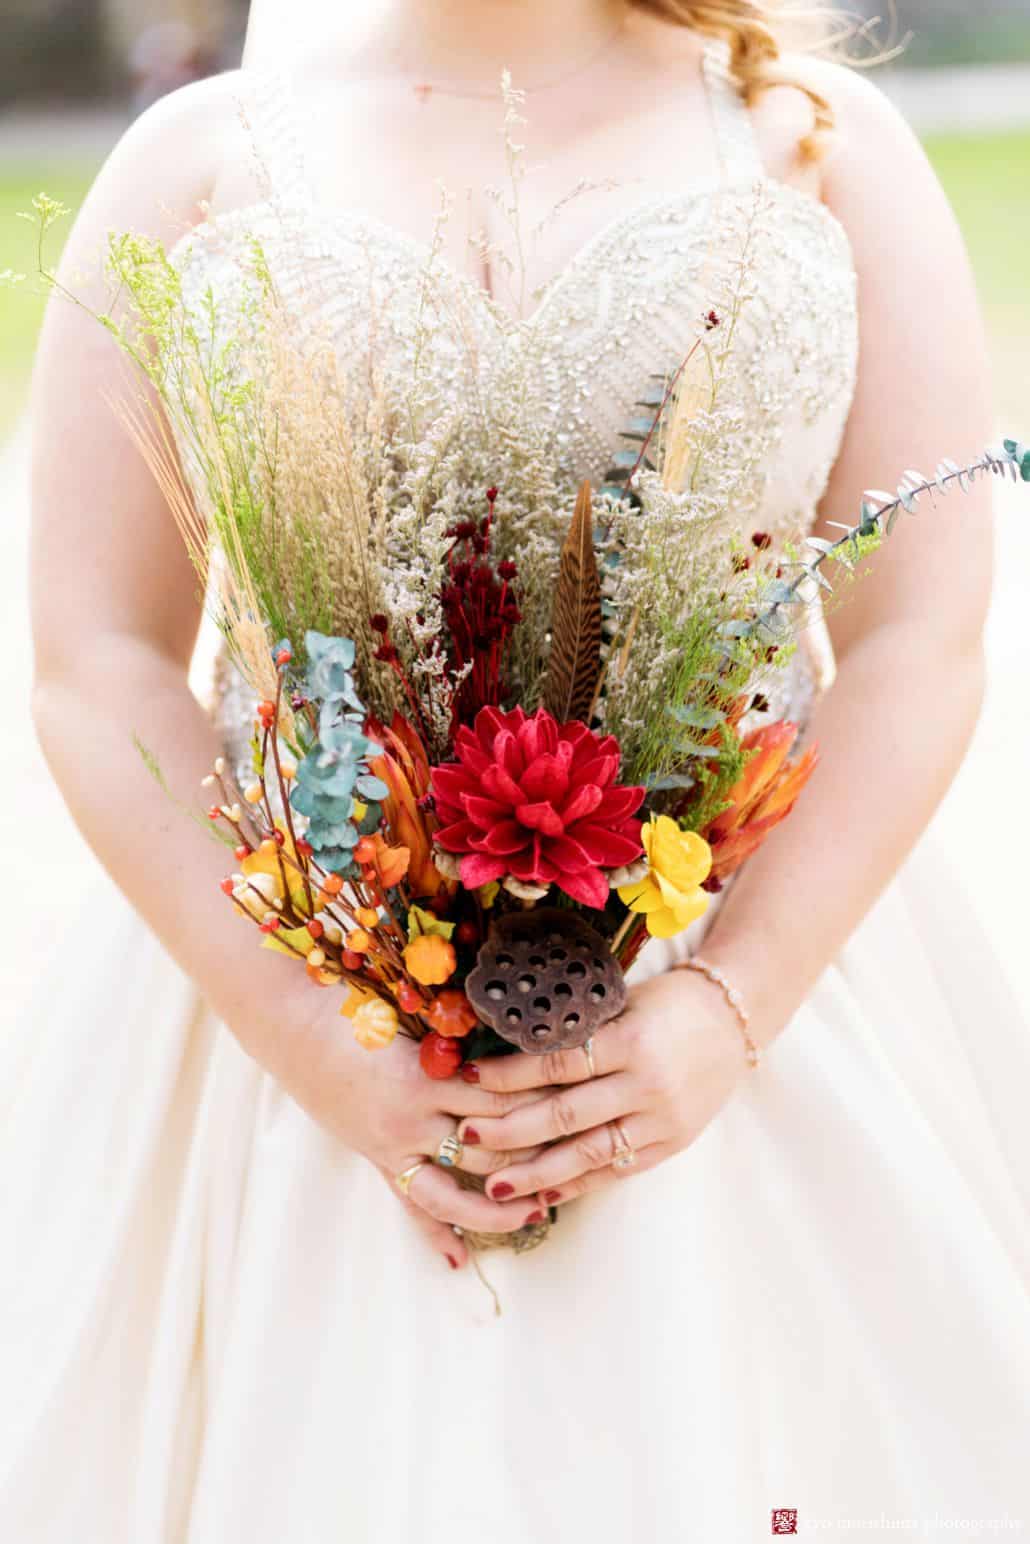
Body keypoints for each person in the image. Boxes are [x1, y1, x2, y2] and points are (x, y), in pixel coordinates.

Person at [5, 1, 1030, 1537]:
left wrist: (722, 1015)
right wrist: (310, 1041)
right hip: (301, 1020)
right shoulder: (196, 163)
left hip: (752, 995)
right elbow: (103, 661)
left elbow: (916, 641)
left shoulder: (819, 147)